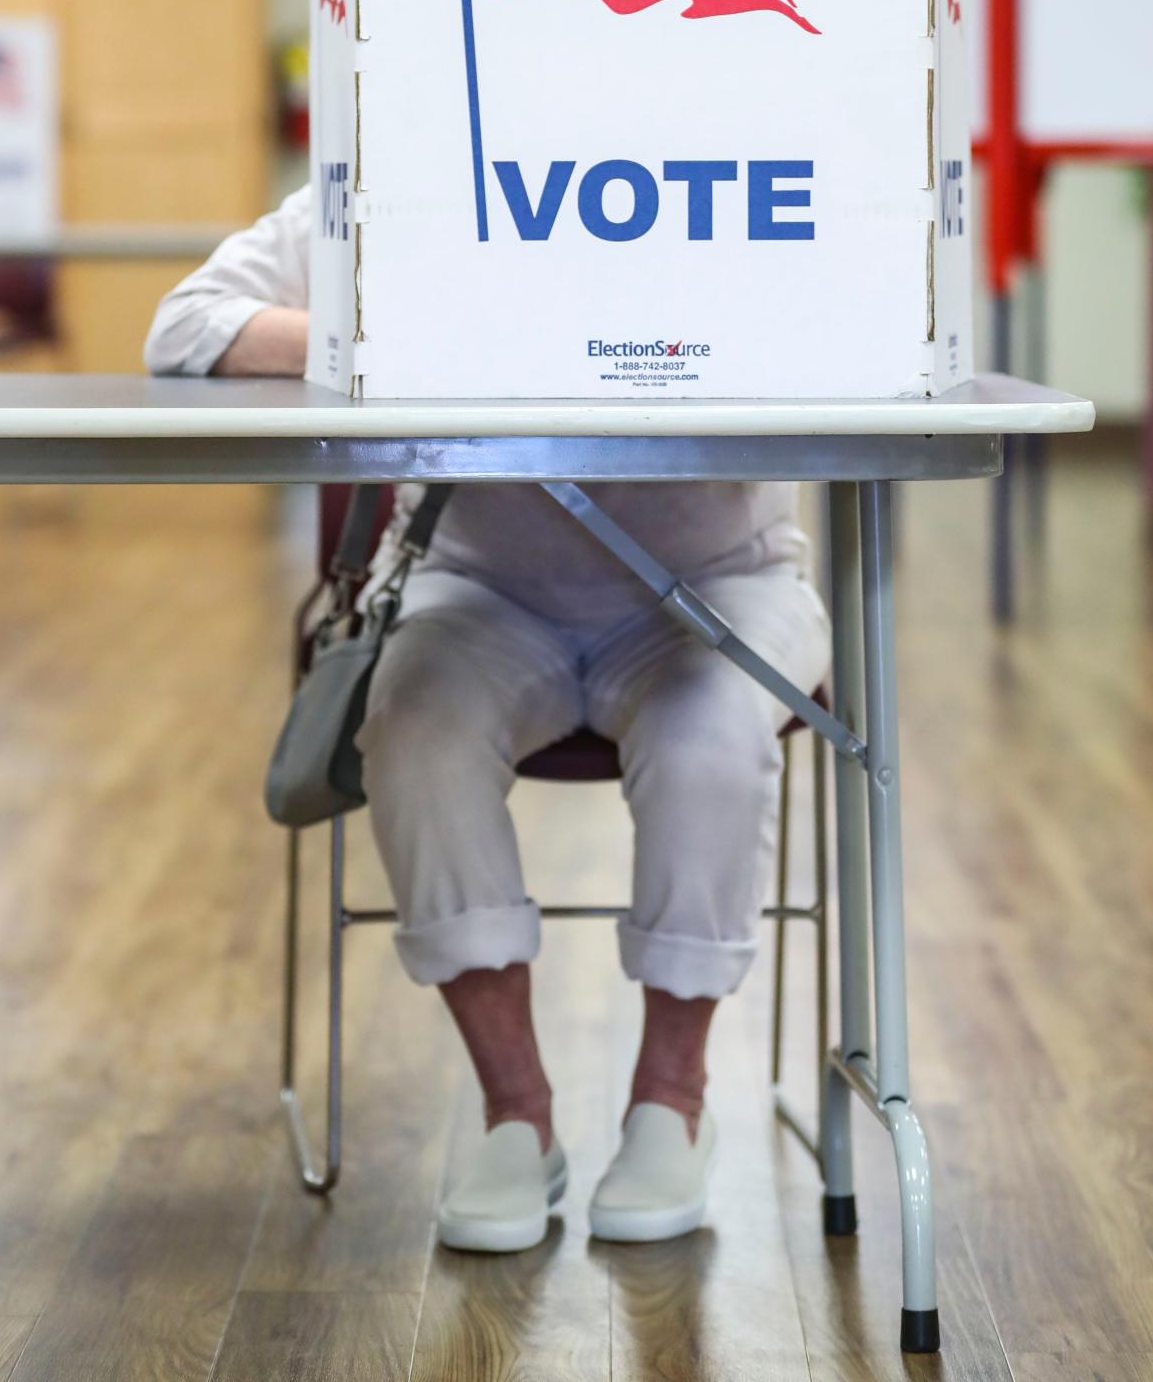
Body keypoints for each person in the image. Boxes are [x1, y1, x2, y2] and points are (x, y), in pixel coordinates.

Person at [146, 184, 831, 1252]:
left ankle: (671, 1102)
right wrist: (405, 335)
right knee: (414, 730)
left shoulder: (731, 162)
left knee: (709, 738)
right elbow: (187, 324)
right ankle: (516, 1112)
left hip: (719, 577)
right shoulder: (404, 166)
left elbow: (859, 334)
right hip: (481, 586)